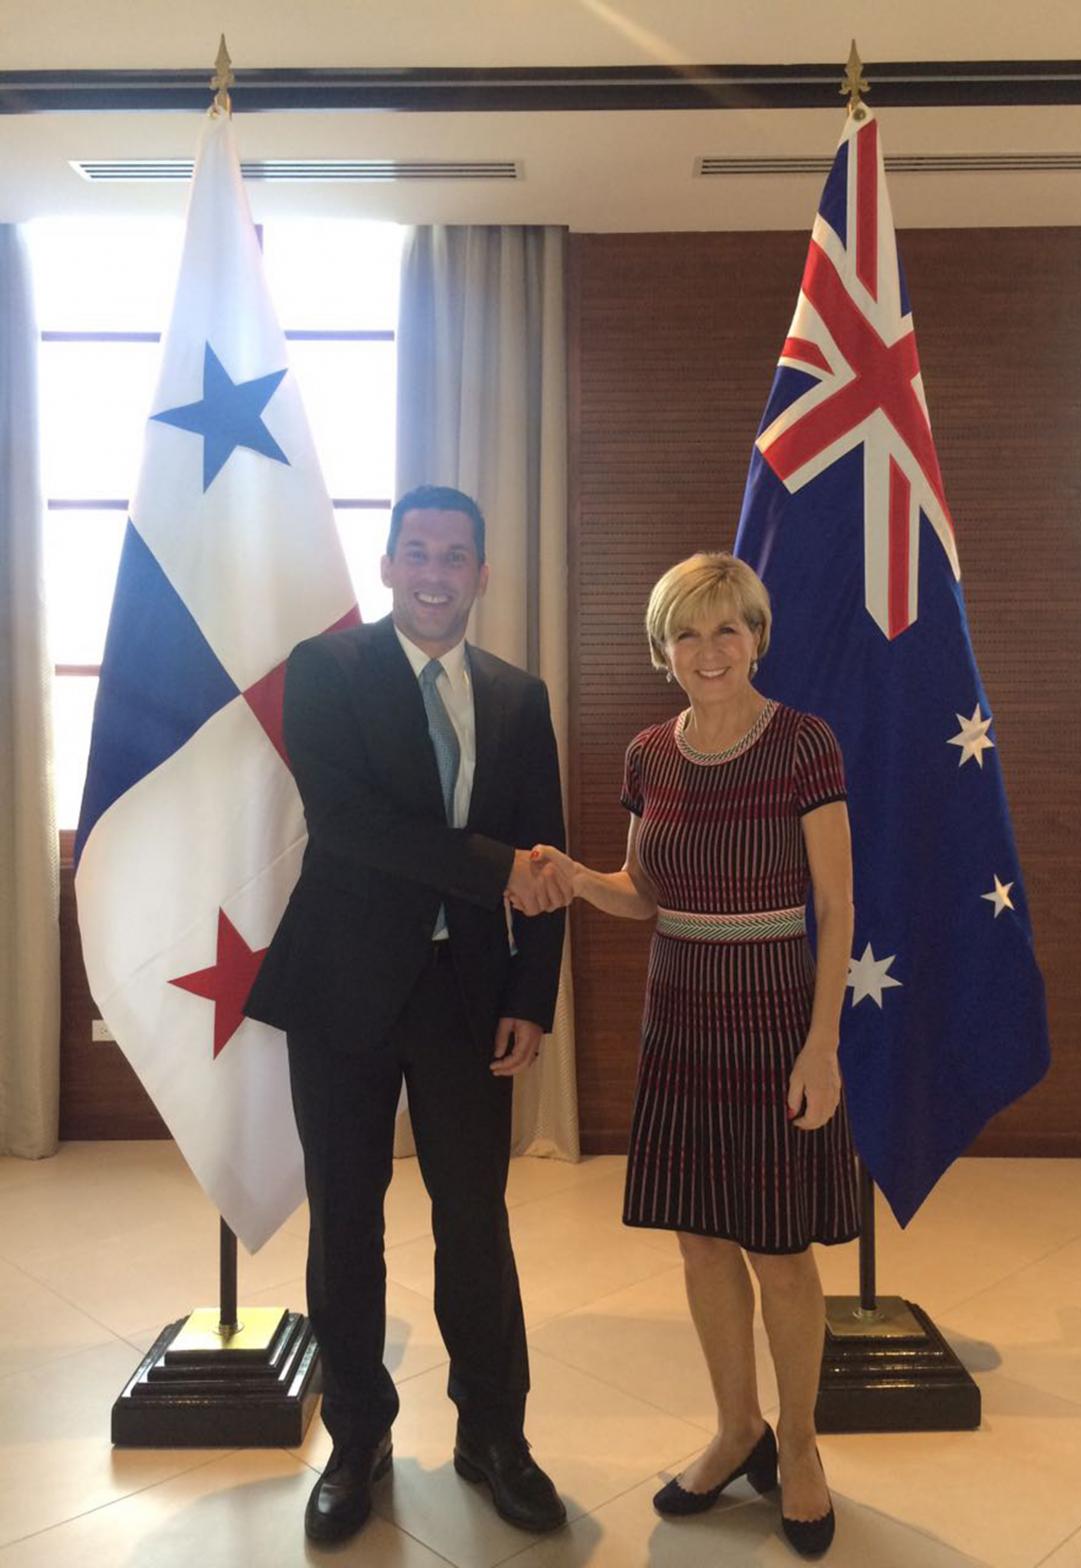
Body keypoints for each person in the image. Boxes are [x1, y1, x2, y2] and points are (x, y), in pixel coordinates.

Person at [246, 484, 570, 1544]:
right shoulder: (326, 668)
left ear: (484, 573)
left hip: (468, 998)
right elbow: (348, 823)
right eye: (417, 549)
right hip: (341, 983)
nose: (436, 569)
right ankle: (358, 1437)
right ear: (388, 565)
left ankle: (495, 1434)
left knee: (476, 1219)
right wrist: (499, 866)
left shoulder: (521, 698)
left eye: (458, 553)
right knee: (347, 1221)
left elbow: (549, 861)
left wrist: (533, 996)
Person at [533, 552, 858, 1560]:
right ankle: (736, 1427)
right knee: (701, 1241)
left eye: (728, 629)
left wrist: (821, 1044)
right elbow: (645, 892)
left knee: (779, 1248)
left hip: (772, 1019)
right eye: (688, 631)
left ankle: (799, 1445)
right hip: (678, 1018)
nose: (709, 651)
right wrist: (577, 876)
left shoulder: (805, 743)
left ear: (757, 635)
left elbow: (837, 906)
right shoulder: (647, 754)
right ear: (662, 646)